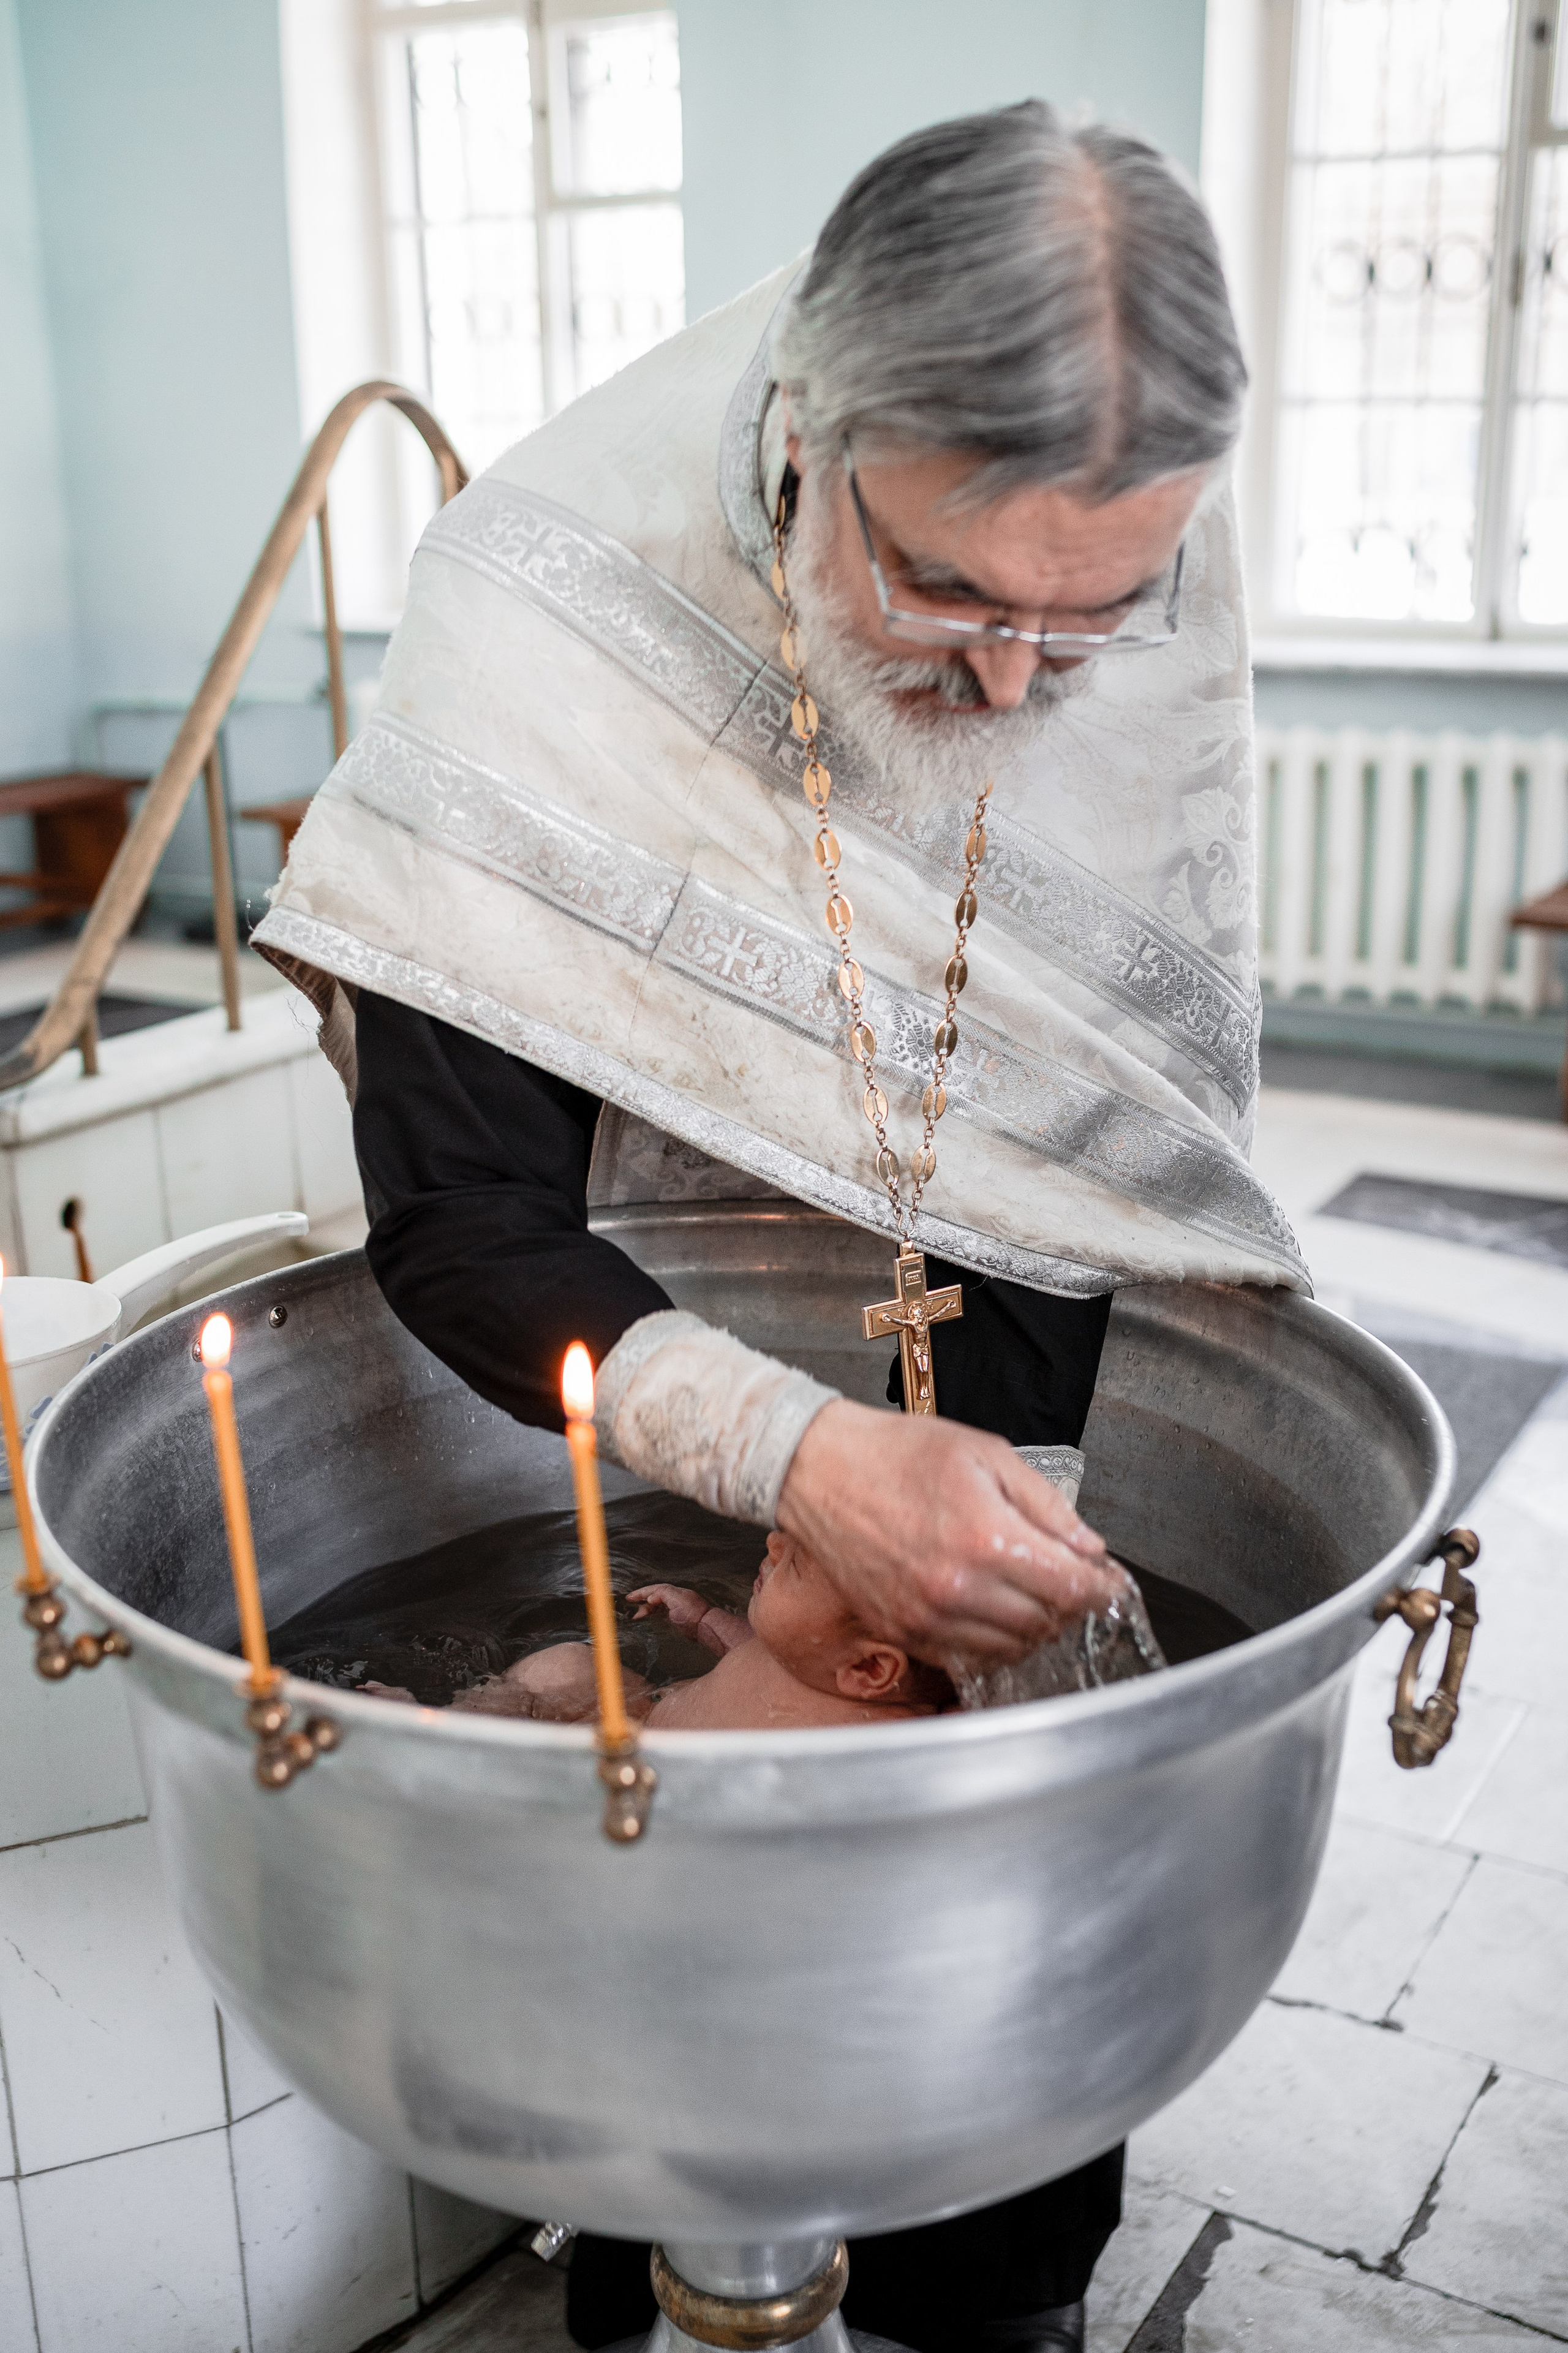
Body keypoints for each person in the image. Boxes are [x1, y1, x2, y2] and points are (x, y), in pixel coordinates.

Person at [256, 96, 1304, 2353]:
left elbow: (1086, 1159)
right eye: (936, 589)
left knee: (1007, 2166)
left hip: (1002, 1427)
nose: (1014, 683)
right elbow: (460, 1212)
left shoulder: (1154, 617)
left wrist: (978, 1576)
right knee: (685, 2123)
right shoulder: (549, 613)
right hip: (649, 1353)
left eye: (1090, 615)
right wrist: (806, 1468)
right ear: (804, 434)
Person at [437, 1533, 954, 1729]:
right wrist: (705, 1619)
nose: (773, 1543)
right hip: (649, 1713)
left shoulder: (868, 1741)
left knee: (547, 1736)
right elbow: (751, 1654)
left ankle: (443, 1742)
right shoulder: (818, 1657)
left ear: (869, 1667)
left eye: (795, 1564)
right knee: (564, 1663)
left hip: (649, 1782)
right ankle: (444, 1723)